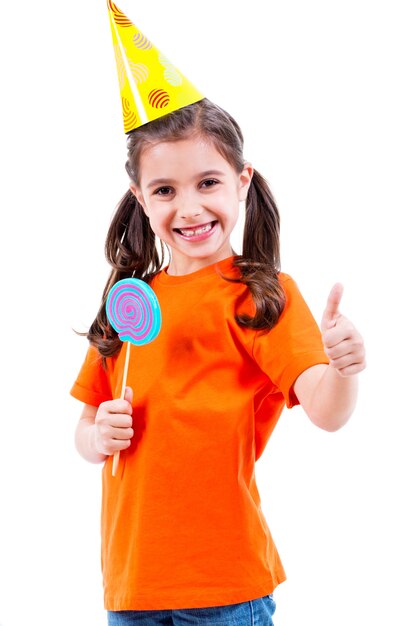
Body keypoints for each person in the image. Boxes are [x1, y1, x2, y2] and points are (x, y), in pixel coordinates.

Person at [71, 97, 366, 626]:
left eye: (208, 183)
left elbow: (326, 410)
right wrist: (97, 438)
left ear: (242, 181)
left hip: (225, 588)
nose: (189, 209)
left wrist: (343, 370)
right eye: (165, 190)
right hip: (131, 585)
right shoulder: (128, 304)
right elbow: (88, 422)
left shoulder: (259, 296)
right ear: (139, 198)